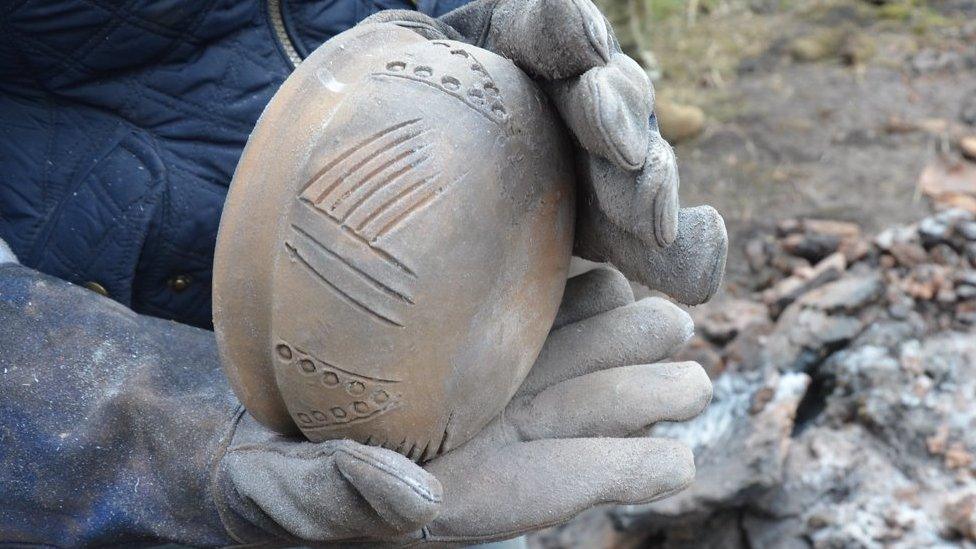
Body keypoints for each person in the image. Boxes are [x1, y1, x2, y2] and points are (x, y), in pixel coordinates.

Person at [0, 0, 728, 545]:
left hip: (451, 379)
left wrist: (484, 57)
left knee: (429, 503)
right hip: (119, 390)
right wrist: (119, 425)